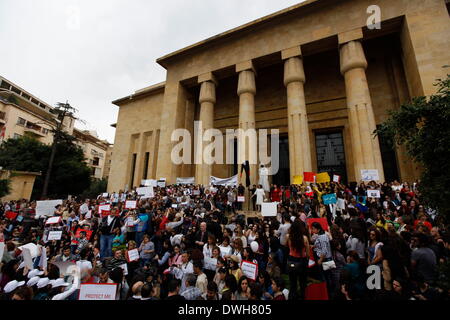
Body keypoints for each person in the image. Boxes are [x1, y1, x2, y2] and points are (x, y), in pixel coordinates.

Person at [286, 220, 309, 300]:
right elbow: (308, 253)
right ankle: (302, 296)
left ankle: (293, 297)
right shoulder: (305, 238)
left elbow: (288, 247)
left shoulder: (288, 237)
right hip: (302, 261)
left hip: (291, 260)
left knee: (293, 283)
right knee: (303, 283)